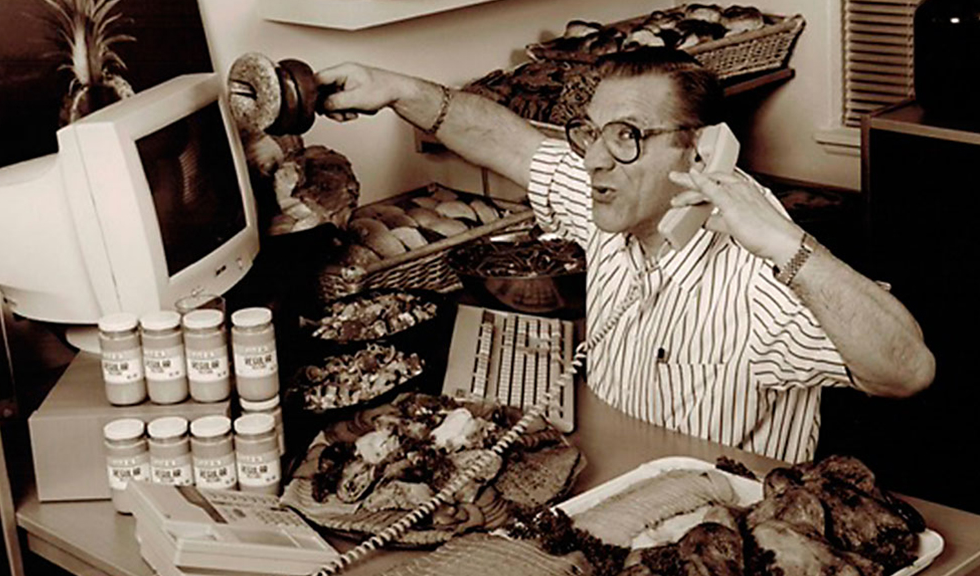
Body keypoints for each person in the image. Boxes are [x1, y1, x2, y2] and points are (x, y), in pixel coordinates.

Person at [314, 48, 935, 463]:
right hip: (609, 483)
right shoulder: (615, 203)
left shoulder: (760, 279)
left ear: (700, 153)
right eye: (591, 132)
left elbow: (908, 370)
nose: (593, 160)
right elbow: (508, 142)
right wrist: (395, 89)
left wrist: (786, 244)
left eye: (628, 136)